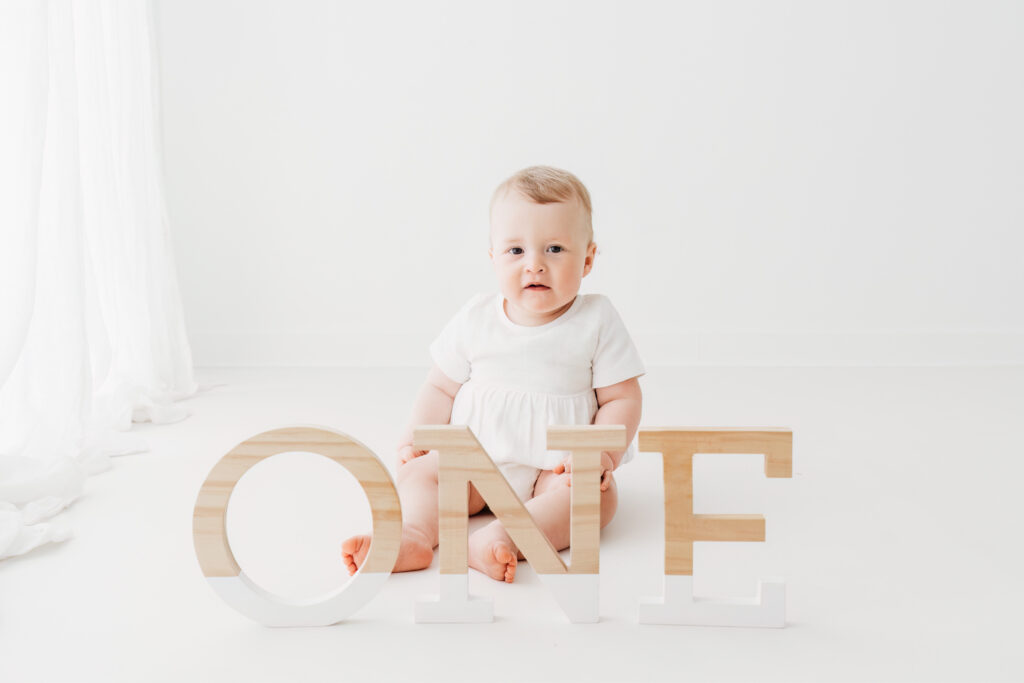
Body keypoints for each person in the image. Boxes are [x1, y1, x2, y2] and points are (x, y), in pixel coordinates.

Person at [342, 165, 644, 583]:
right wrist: (419, 433)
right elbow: (439, 386)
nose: (534, 265)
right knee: (421, 474)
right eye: (516, 251)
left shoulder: (597, 319)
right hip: (473, 460)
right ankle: (411, 534)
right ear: (493, 257)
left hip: (553, 469)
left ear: (588, 258)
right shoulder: (476, 317)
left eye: (554, 249)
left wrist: (600, 454)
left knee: (595, 503)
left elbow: (622, 399)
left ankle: (503, 538)